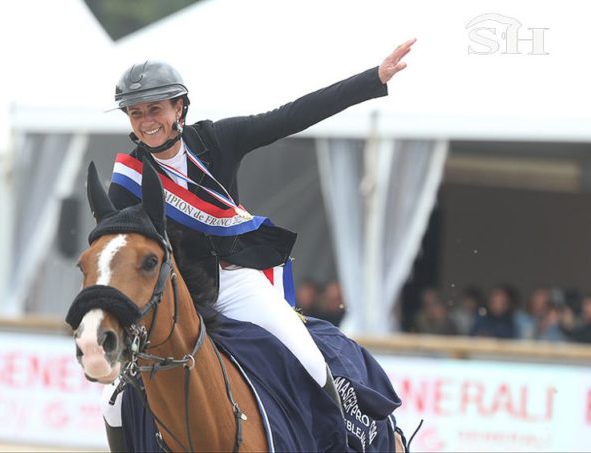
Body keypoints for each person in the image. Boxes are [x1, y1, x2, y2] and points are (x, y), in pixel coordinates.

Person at [103, 39, 415, 433]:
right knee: (113, 404)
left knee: (309, 360)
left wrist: (373, 79)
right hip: (174, 297)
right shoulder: (127, 183)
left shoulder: (216, 140)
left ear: (179, 107)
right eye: (135, 112)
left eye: (155, 109)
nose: (146, 120)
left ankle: (337, 441)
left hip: (233, 282)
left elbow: (290, 116)